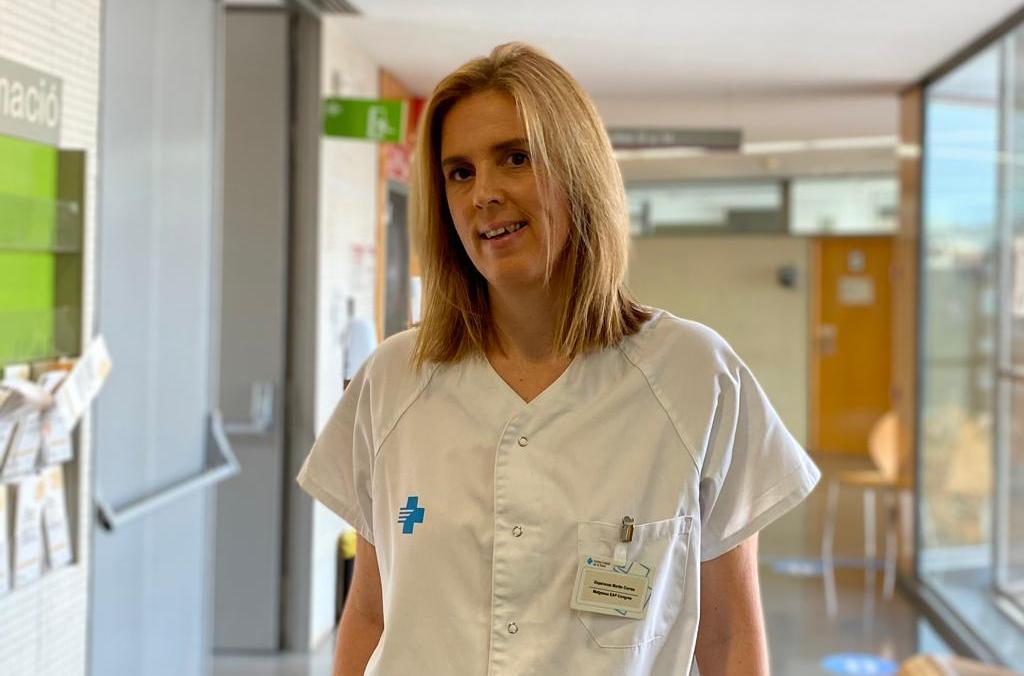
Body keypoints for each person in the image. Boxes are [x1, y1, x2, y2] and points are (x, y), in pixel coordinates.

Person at [298, 42, 820, 676]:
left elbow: (728, 635)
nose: (483, 193)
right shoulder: (393, 380)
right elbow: (370, 615)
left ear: (579, 171)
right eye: (459, 172)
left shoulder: (695, 378)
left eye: (516, 158)